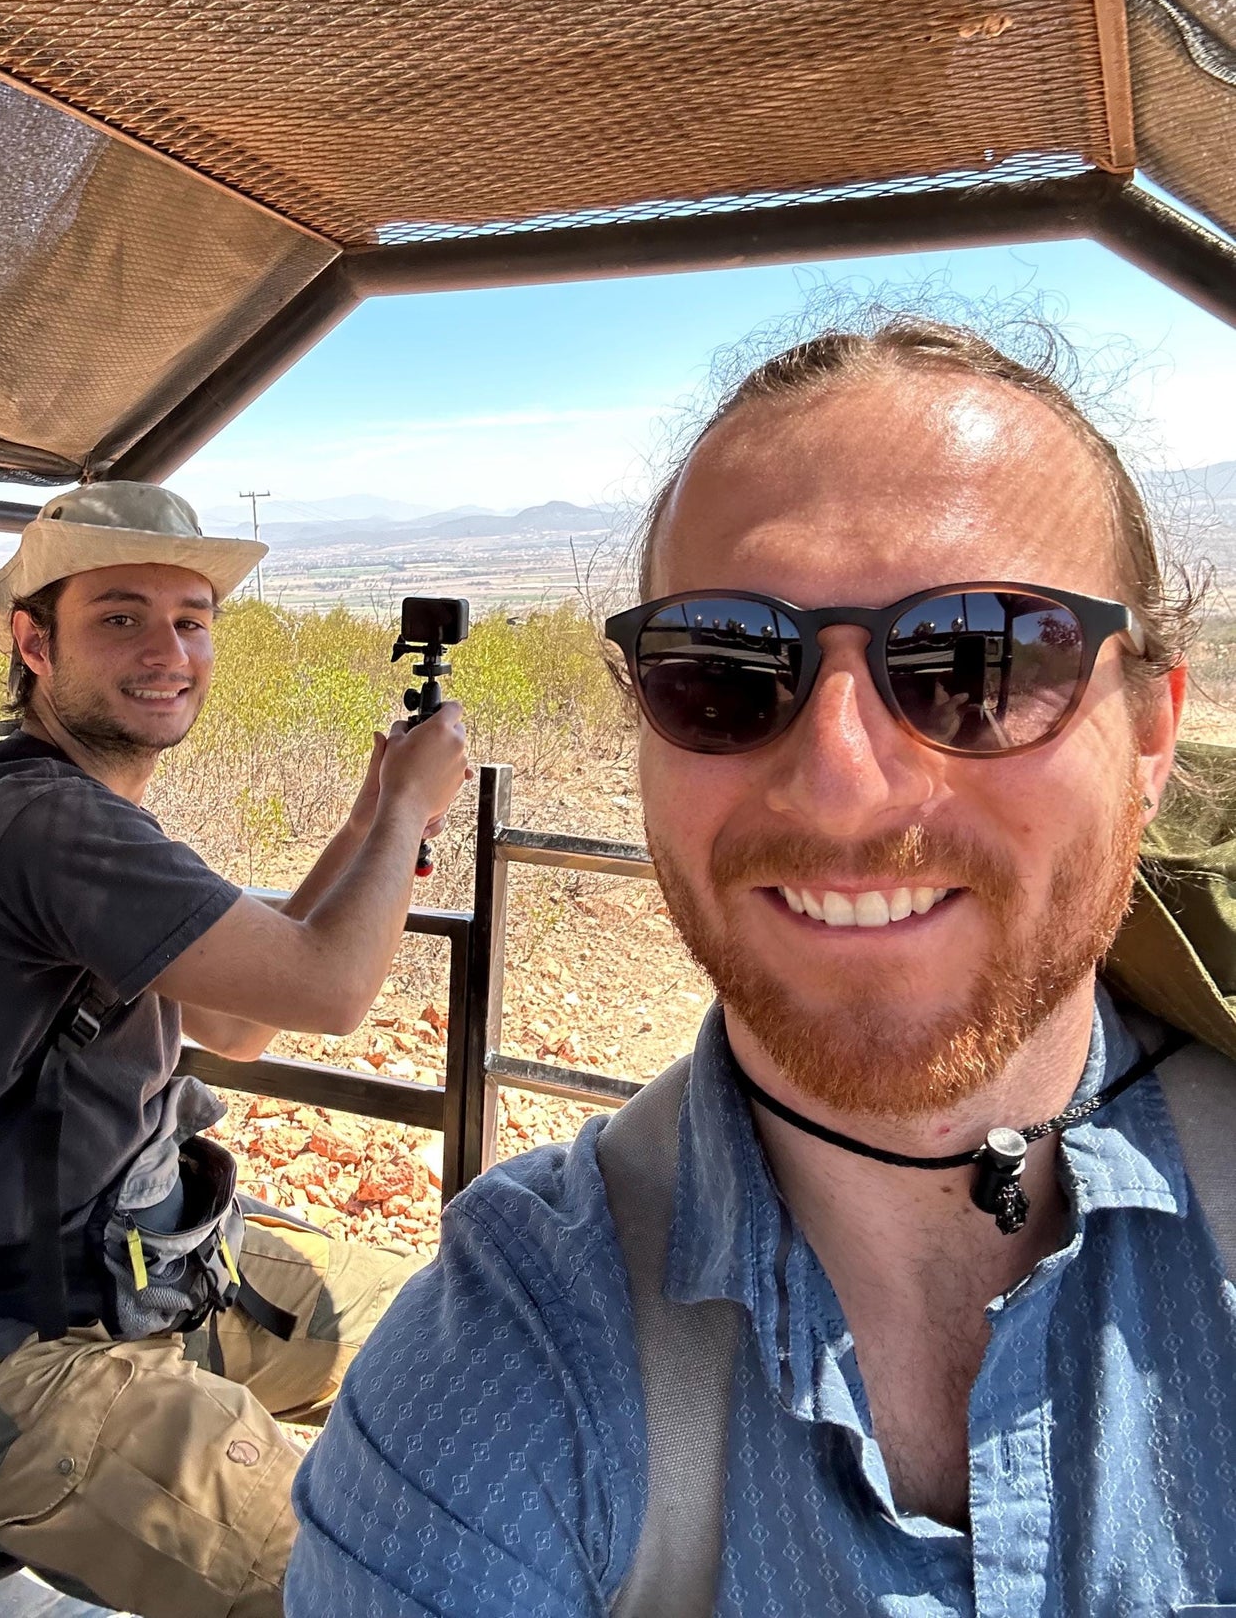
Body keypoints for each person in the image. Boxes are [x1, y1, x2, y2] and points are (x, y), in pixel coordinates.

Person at [287, 318, 1236, 1616]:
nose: (840, 777)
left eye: (981, 660)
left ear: (1150, 730)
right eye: (724, 669)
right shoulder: (507, 1366)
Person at [0, 481, 470, 1618]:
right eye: (119, 616)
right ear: (34, 642)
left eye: (191, 617)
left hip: (133, 1291)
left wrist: (375, 814)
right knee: (375, 1588)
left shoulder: (50, 805)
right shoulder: (46, 824)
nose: (168, 648)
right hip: (3, 1369)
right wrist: (412, 813)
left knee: (471, 1331)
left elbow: (239, 1019)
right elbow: (328, 990)